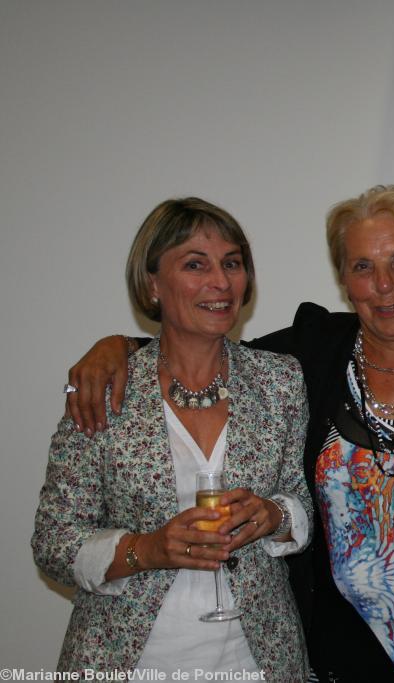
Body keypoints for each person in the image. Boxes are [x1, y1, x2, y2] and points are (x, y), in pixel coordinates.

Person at [63, 186, 394, 682]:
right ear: (345, 280)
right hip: (340, 656)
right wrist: (115, 347)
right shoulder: (314, 354)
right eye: (363, 267)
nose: (384, 285)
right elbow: (199, 342)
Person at [32, 198, 312, 679]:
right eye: (195, 264)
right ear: (153, 284)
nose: (221, 282)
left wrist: (275, 515)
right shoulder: (104, 385)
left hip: (257, 658)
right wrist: (150, 549)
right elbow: (54, 542)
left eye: (232, 263)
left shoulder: (279, 380)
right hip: (127, 659)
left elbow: (300, 499)